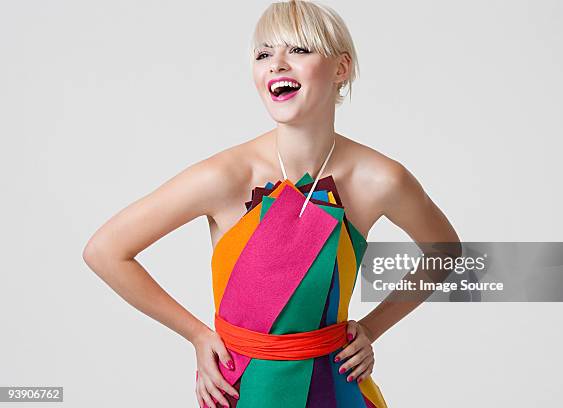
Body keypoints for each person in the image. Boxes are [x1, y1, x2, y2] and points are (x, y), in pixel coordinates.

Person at [83, 1, 461, 407]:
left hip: (338, 390)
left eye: (299, 50)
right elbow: (105, 251)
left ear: (341, 68)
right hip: (243, 390)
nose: (277, 64)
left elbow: (446, 252)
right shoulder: (226, 176)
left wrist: (371, 329)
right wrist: (196, 334)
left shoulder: (381, 179)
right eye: (264, 54)